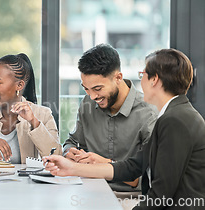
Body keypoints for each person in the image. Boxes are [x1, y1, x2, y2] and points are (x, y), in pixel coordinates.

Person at [45, 49, 205, 209]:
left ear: (154, 79)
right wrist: (71, 168)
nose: (139, 81)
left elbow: (161, 195)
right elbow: (133, 167)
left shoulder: (175, 120)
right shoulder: (172, 115)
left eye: (142, 75)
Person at [62, 44, 157, 191]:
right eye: (86, 89)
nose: (92, 96)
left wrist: (105, 164)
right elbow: (72, 141)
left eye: (98, 89)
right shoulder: (87, 103)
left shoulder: (148, 113)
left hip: (129, 199)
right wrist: (70, 151)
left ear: (118, 77)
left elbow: (149, 175)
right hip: (87, 191)